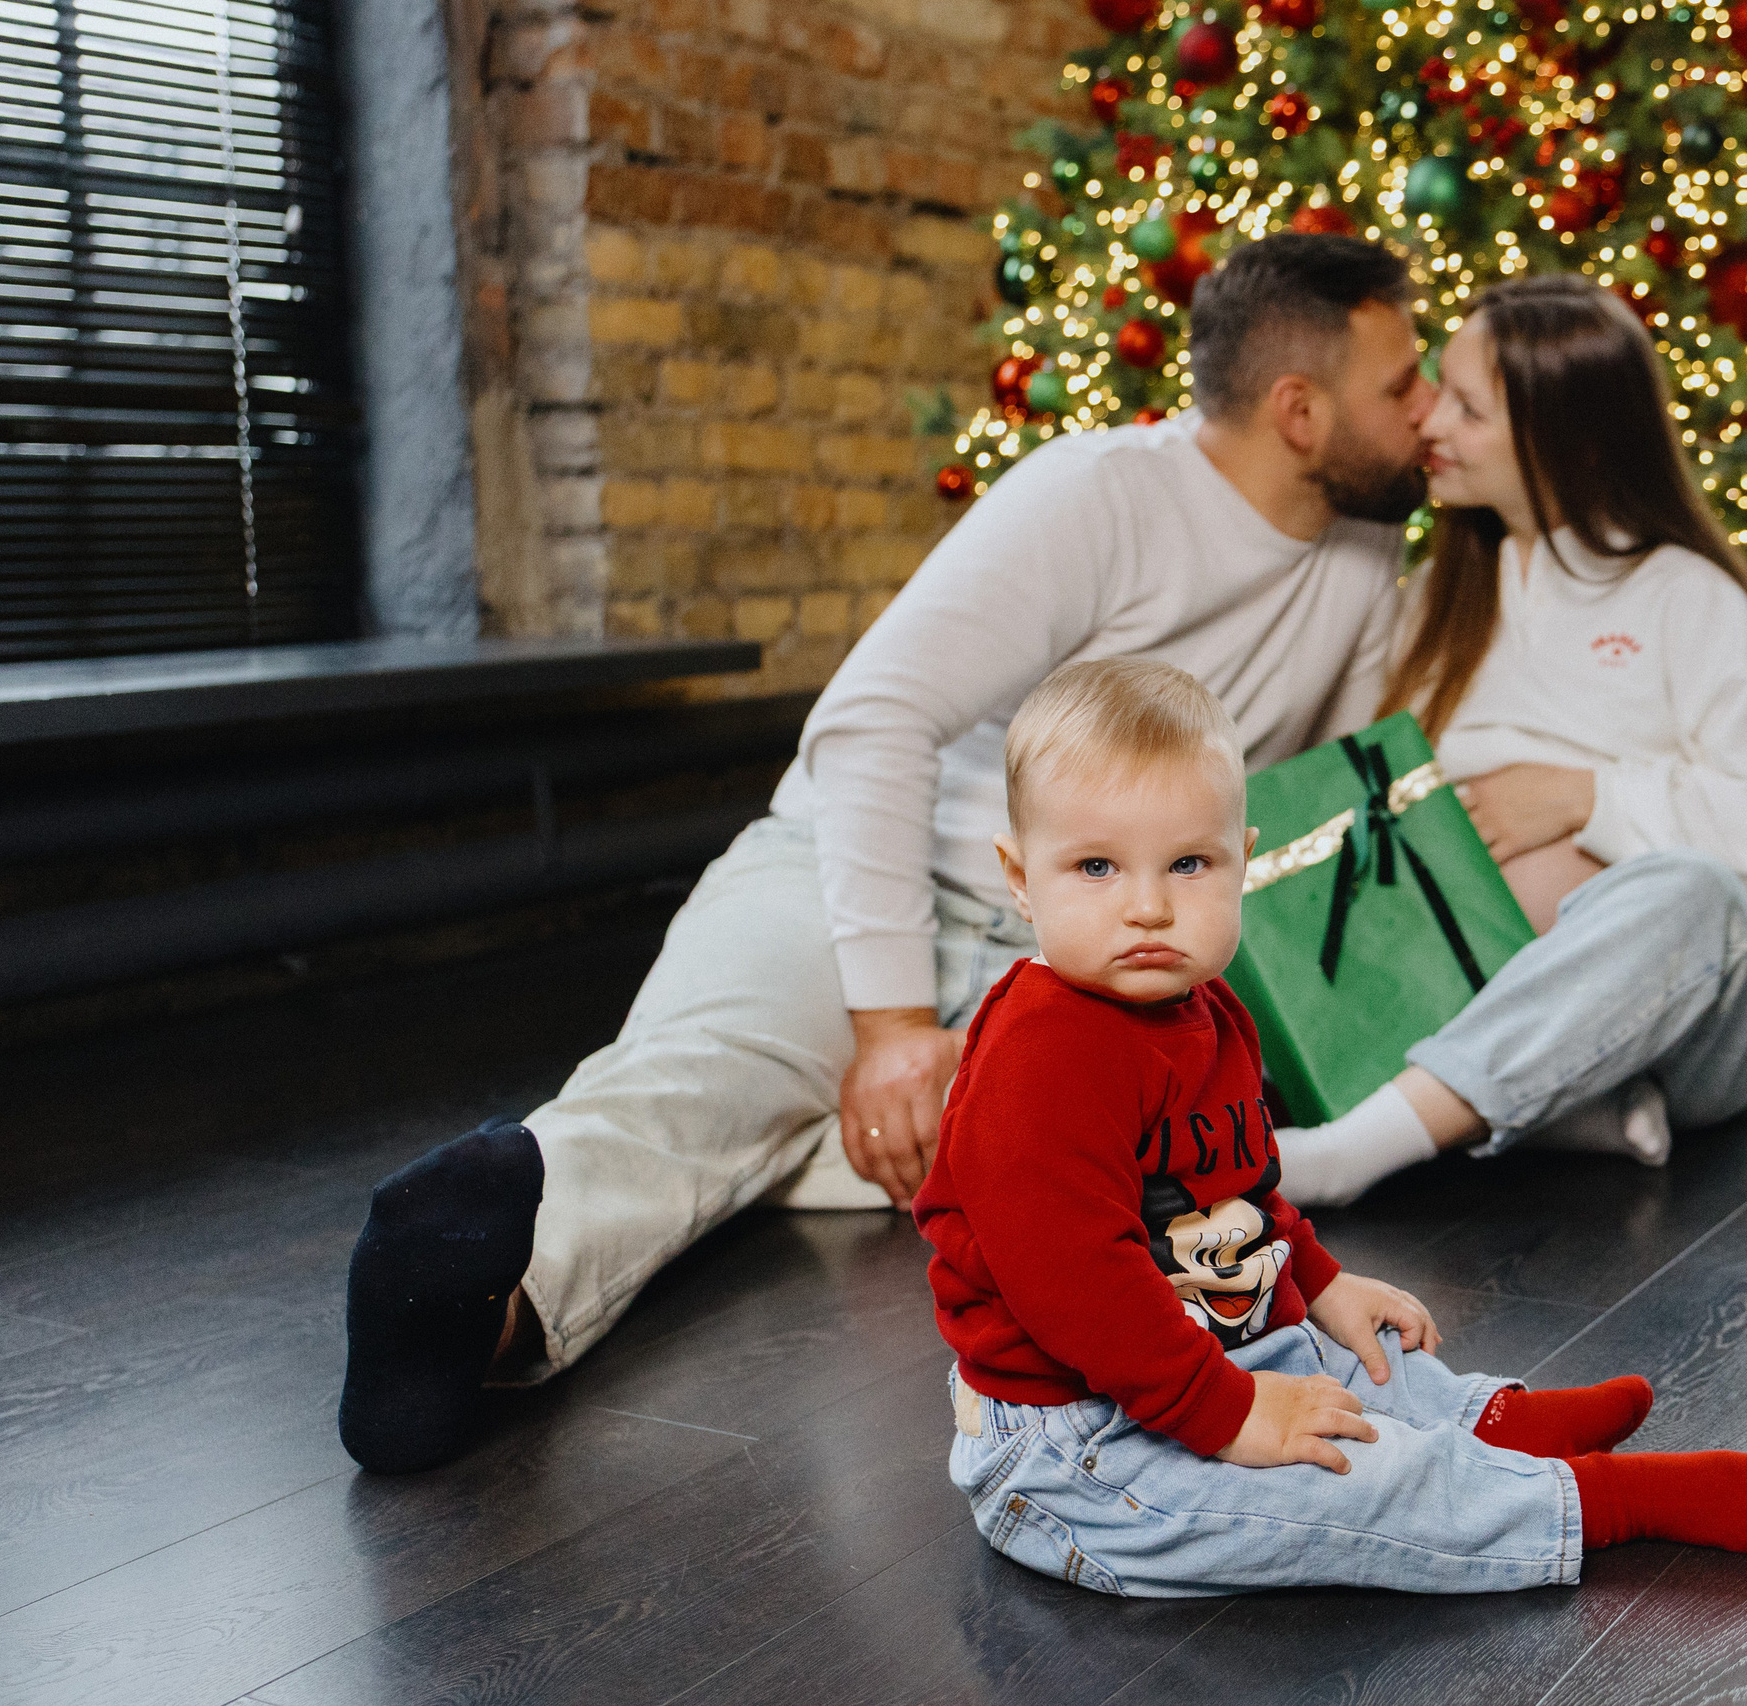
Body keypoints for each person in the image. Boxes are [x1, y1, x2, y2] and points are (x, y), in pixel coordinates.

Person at [335, 234, 1438, 1475]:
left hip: (1067, 944)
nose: (1429, 408)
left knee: (1045, 1169)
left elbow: (1297, 801)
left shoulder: (1361, 552)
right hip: (861, 866)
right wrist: (892, 1022)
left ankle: (635, 1223)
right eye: (1404, 382)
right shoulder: (1100, 496)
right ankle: (466, 1305)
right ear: (1300, 410)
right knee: (705, 1083)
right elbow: (872, 720)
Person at [916, 657, 1747, 1596]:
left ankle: (1489, 1424)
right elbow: (1077, 1286)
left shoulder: (1208, 1011)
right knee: (1346, 1485)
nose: (1148, 906)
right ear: (1019, 876)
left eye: (1189, 864)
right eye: (1095, 866)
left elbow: (1238, 1192)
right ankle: (1597, 1504)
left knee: (1362, 1369)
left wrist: (1321, 1282)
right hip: (1080, 1449)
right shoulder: (1042, 1054)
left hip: (1195, 1354)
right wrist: (1230, 1416)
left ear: (1242, 861)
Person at [1270, 273, 1747, 1207]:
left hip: (1680, 1026)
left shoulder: (1685, 599)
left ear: (1563, 437)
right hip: (1438, 990)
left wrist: (1584, 799)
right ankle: (1558, 1108)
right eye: (1438, 389)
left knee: (1696, 897)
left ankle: (1358, 1148)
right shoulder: (1428, 609)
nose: (1431, 424)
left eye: (1470, 409)